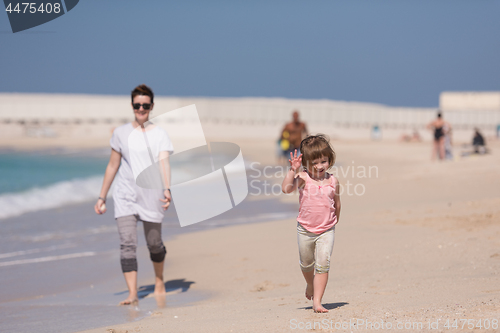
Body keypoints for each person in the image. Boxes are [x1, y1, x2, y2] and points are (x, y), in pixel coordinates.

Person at [94, 84, 173, 305]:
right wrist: (102, 197)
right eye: (137, 105)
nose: (141, 109)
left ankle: (159, 280)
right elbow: (112, 166)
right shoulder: (120, 133)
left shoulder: (160, 134)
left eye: (145, 106)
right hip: (125, 195)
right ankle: (132, 293)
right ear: (132, 106)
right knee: (127, 243)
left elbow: (164, 162)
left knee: (154, 243)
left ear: (152, 106)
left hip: (152, 195)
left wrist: (167, 189)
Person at [281, 134, 341, 313]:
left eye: (323, 161)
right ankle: (309, 284)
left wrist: (334, 221)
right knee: (306, 264)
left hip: (326, 230)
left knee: (323, 264)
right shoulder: (303, 178)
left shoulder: (333, 181)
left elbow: (337, 203)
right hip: (305, 230)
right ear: (307, 163)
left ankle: (317, 302)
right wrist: (293, 170)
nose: (319, 166)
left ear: (329, 159)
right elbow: (286, 188)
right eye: (314, 163)